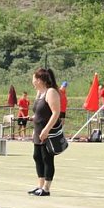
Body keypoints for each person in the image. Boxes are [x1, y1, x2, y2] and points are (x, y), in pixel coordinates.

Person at [28, 67, 61, 196]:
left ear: (40, 80)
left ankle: (46, 188)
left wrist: (46, 129)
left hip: (47, 131)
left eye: (34, 79)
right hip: (38, 130)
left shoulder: (51, 92)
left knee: (47, 158)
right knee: (37, 157)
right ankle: (40, 185)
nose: (33, 82)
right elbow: (38, 112)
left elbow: (55, 112)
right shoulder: (39, 93)